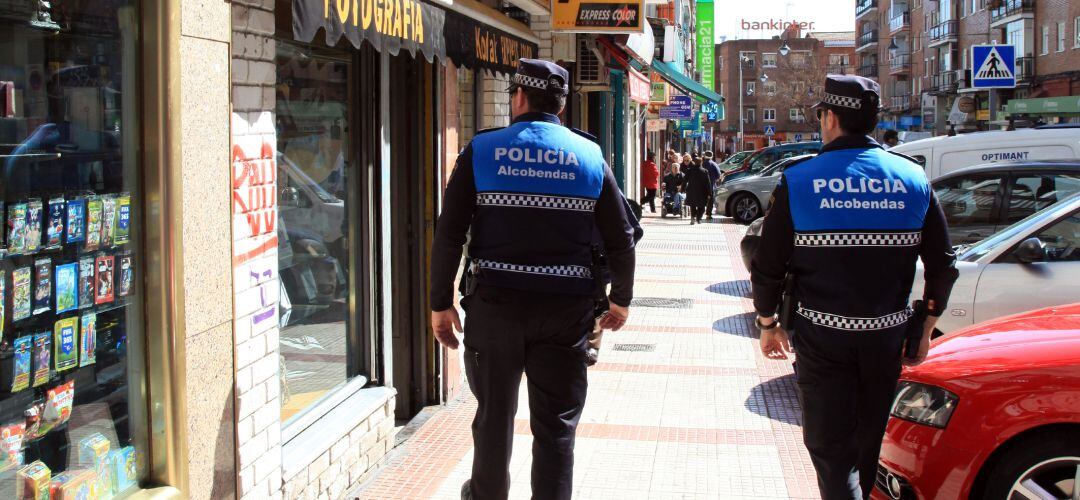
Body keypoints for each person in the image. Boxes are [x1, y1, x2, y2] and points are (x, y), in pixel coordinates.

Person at [429, 58, 637, 500]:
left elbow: (449, 232)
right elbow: (621, 237)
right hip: (566, 312)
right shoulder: (589, 156)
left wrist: (439, 302)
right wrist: (620, 300)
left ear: (519, 98)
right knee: (557, 428)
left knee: (493, 422)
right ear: (560, 109)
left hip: (495, 310)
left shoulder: (481, 151)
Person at [749, 75, 958, 499]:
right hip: (886, 337)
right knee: (867, 447)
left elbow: (768, 264)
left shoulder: (801, 179)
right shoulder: (913, 178)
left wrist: (768, 321)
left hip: (822, 338)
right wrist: (926, 325)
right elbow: (943, 264)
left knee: (830, 451)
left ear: (829, 118)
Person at [683, 154, 711, 224]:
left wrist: (683, 189)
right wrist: (709, 193)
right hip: (702, 192)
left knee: (693, 205)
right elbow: (708, 183)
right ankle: (698, 218)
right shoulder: (705, 171)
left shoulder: (689, 170)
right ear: (701, 162)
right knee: (701, 207)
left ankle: (693, 217)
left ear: (694, 162)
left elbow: (685, 180)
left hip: (691, 191)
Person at [702, 151, 722, 219]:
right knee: (710, 200)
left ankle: (700, 213)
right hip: (711, 185)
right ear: (712, 156)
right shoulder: (714, 164)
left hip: (702, 185)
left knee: (701, 199)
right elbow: (718, 175)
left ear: (704, 156)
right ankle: (708, 214)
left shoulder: (702, 164)